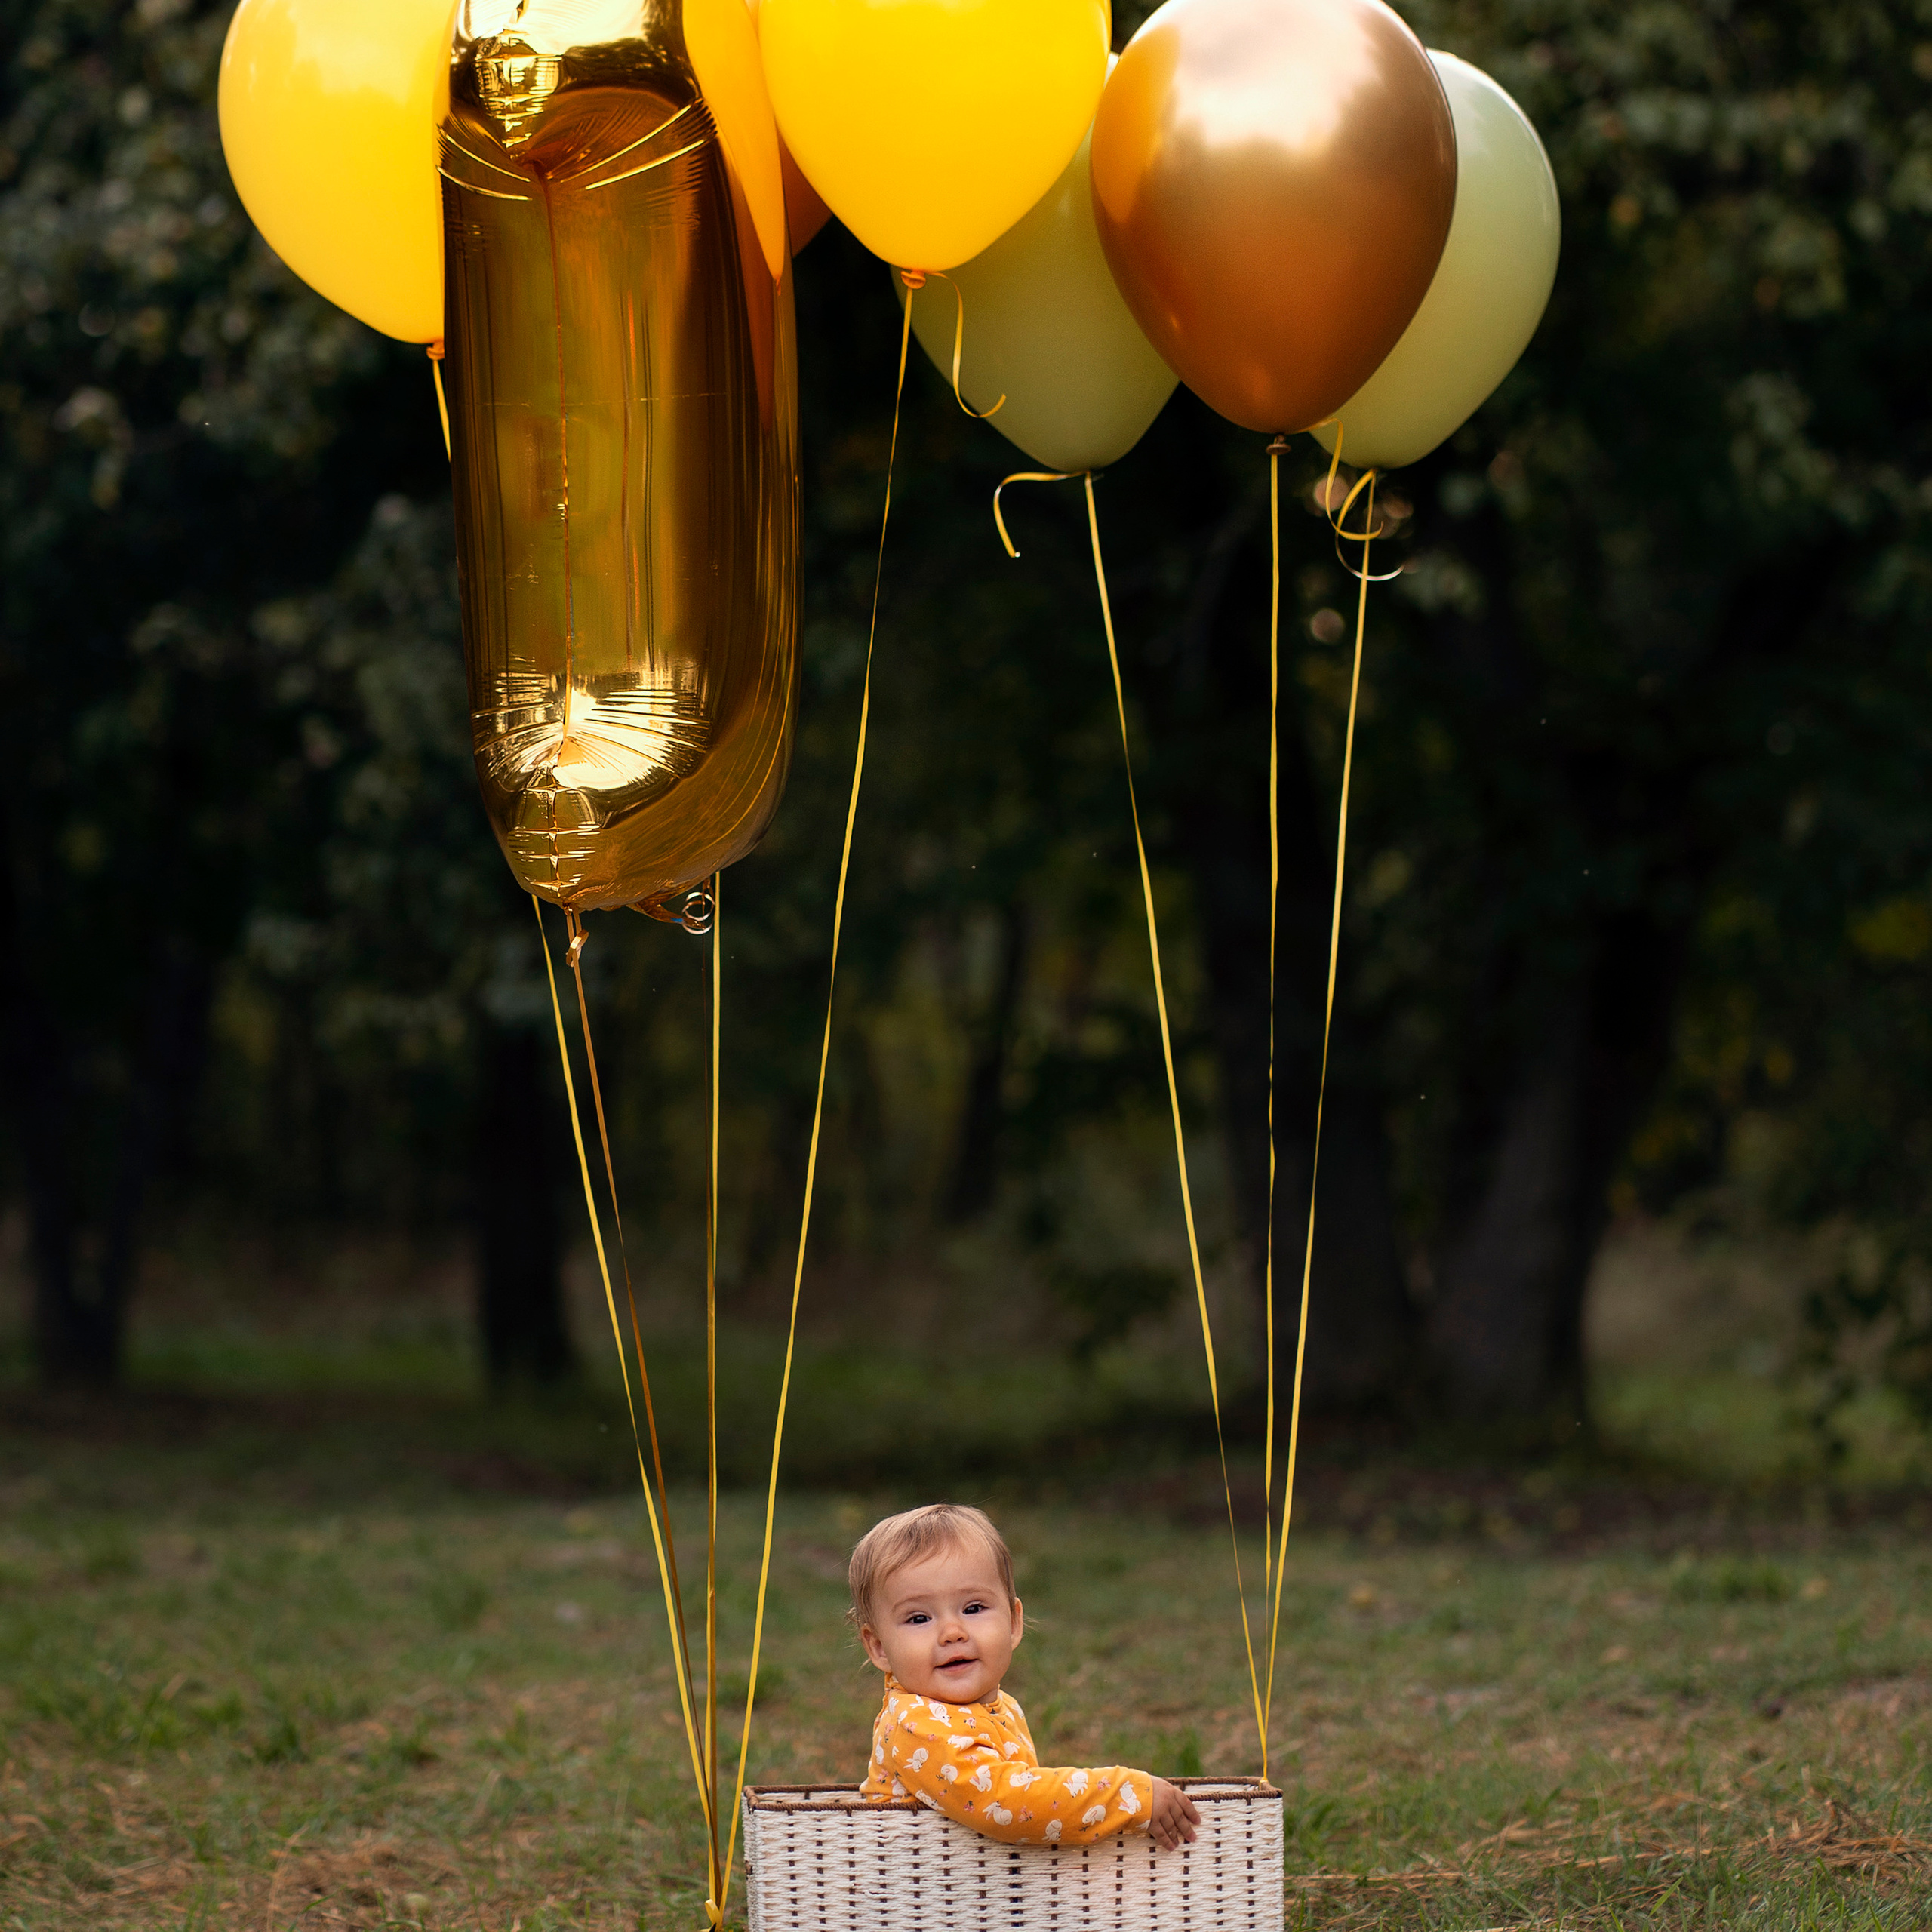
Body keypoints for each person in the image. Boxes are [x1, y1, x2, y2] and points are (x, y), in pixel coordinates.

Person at [852, 1502, 1201, 1852]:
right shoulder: (915, 1724)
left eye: (973, 1608)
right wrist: (1125, 1794)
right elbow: (1008, 1804)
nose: (952, 1632)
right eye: (918, 1619)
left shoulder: (1000, 1706)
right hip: (911, 1893)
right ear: (880, 1647)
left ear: (1014, 1622)